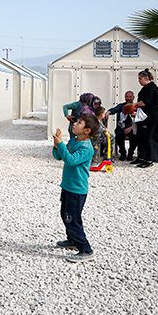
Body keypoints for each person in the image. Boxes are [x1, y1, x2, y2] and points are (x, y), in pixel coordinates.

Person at [52, 113, 98, 263]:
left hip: (77, 190)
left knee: (72, 219)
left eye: (79, 123)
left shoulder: (86, 148)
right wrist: (56, 145)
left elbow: (71, 161)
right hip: (67, 187)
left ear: (87, 130)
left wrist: (60, 145)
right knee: (65, 214)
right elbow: (60, 157)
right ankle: (72, 240)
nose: (75, 124)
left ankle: (86, 249)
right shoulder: (74, 141)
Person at [132, 68, 158, 168]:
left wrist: (134, 105)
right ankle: (141, 157)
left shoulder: (151, 88)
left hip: (150, 117)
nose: (139, 81)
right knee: (141, 137)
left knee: (147, 138)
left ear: (146, 78)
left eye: (140, 78)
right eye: (138, 79)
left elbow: (145, 102)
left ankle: (149, 159)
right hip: (143, 117)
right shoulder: (145, 88)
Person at [107, 91, 138, 161]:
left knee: (135, 136)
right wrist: (108, 112)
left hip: (132, 128)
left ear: (133, 97)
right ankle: (123, 152)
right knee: (119, 134)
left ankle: (130, 153)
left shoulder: (136, 107)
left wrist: (131, 127)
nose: (128, 98)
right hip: (121, 128)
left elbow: (138, 120)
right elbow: (114, 109)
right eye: (127, 96)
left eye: (130, 96)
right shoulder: (121, 106)